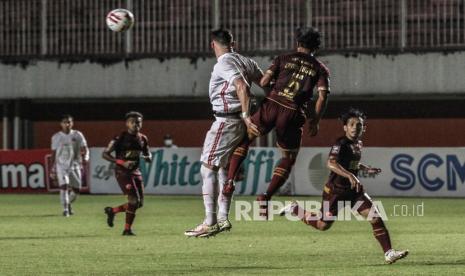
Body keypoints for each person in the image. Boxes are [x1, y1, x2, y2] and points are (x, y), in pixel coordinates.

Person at [280, 108, 409, 264]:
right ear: (345, 127)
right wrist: (350, 175)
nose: (355, 127)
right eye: (352, 124)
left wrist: (365, 168)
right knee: (322, 225)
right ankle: (294, 209)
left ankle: (389, 253)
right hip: (335, 191)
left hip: (354, 191)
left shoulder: (358, 143)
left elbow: (351, 163)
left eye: (359, 125)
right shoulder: (340, 144)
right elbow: (331, 163)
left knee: (375, 217)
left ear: (364, 128)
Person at [225, 27, 330, 217]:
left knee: (245, 139)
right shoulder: (320, 68)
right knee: (288, 157)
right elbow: (322, 96)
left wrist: (277, 89)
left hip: (271, 104)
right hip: (293, 112)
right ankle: (265, 196)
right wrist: (315, 120)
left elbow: (264, 82)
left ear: (297, 43)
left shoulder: (282, 58)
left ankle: (230, 180)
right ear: (317, 47)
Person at [184, 28, 263, 238]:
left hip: (228, 121)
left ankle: (209, 221)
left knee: (207, 167)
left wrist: (246, 117)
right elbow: (267, 84)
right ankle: (222, 218)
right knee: (222, 169)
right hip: (239, 121)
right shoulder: (247, 61)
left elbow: (241, 86)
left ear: (213, 45)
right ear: (233, 42)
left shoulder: (224, 63)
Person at [102, 111, 152, 236]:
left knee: (139, 204)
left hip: (136, 172)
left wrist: (148, 157)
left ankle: (112, 211)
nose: (136, 124)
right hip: (122, 172)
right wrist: (121, 162)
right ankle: (127, 230)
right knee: (133, 200)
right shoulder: (120, 138)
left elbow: (147, 153)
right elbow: (105, 154)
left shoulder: (143, 138)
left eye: (138, 122)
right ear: (127, 124)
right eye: (133, 122)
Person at [50, 114, 89, 217]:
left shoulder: (78, 135)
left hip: (75, 165)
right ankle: (65, 209)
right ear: (61, 124)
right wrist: (52, 169)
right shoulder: (56, 137)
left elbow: (85, 148)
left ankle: (68, 203)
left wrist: (86, 157)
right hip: (61, 166)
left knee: (77, 190)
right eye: (64, 122)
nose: (67, 124)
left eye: (69, 122)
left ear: (72, 123)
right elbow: (53, 154)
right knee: (64, 186)